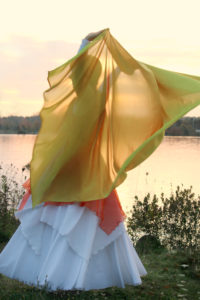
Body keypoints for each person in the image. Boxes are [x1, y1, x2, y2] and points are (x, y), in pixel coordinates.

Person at [0, 30, 147, 291]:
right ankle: (57, 272)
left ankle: (71, 274)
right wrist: (88, 43)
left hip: (85, 165)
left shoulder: (99, 97)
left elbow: (97, 72)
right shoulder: (89, 97)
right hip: (75, 163)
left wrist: (88, 43)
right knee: (64, 215)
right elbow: (81, 69)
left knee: (73, 215)